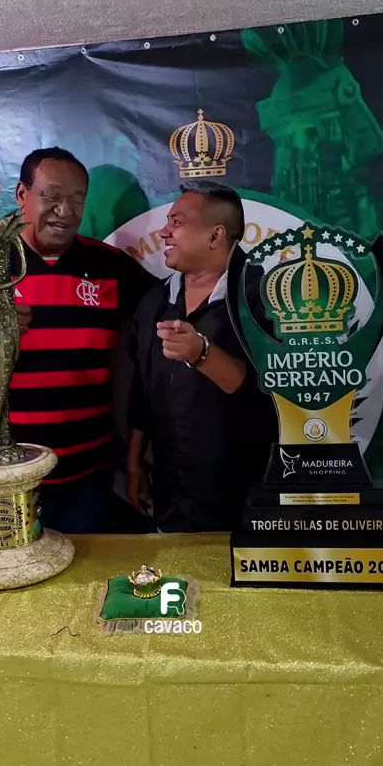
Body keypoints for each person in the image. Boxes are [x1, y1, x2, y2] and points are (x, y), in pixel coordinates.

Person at [0, 147, 155, 534]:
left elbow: (170, 311)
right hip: (4, 482)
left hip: (87, 481)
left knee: (91, 574)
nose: (65, 211)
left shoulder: (111, 265)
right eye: (52, 196)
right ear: (22, 195)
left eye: (77, 199)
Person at [126, 179, 276, 533]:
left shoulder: (265, 299)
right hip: (169, 501)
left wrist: (202, 354)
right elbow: (141, 392)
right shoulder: (154, 303)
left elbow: (269, 396)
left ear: (215, 235)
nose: (164, 232)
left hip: (244, 506)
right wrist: (134, 463)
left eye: (177, 223)